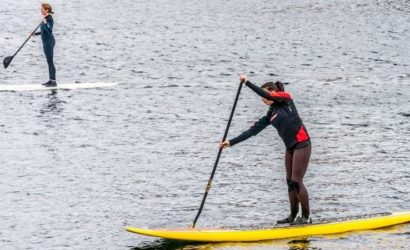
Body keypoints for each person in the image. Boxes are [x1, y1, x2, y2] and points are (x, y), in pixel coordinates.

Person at [219, 75, 312, 225]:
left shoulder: (286, 98)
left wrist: (247, 82)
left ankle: (306, 217)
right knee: (289, 182)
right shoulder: (270, 114)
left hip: (303, 145)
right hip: (290, 148)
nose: (262, 100)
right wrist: (230, 142)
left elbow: (267, 95)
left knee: (296, 180)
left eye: (264, 96)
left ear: (272, 91)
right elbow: (251, 131)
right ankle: (293, 216)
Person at [33, 3, 56, 87]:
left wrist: (45, 22)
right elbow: (43, 31)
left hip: (49, 41)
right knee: (48, 61)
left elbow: (49, 30)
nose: (41, 10)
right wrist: (34, 34)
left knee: (50, 61)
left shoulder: (49, 18)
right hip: (46, 41)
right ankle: (51, 80)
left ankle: (53, 81)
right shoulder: (45, 18)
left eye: (42, 9)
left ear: (47, 10)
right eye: (41, 9)